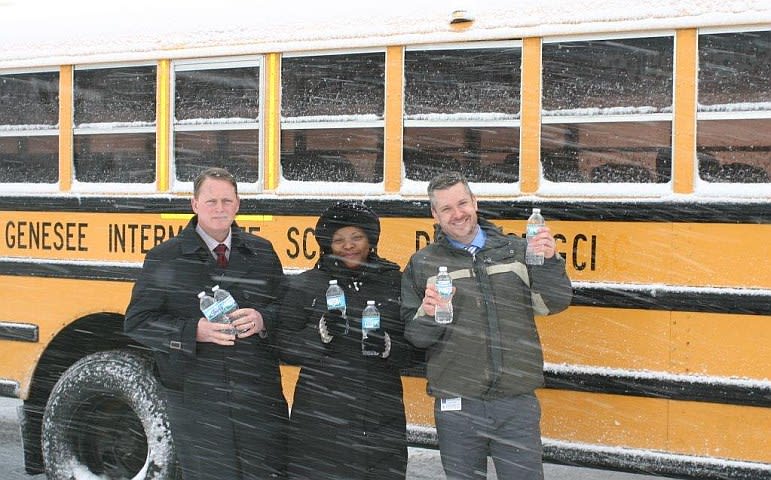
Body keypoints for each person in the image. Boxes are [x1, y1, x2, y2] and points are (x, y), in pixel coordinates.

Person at [401, 172, 573, 480]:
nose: (458, 214)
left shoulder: (517, 251)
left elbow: (552, 304)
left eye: (462, 203)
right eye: (446, 209)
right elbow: (415, 337)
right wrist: (428, 314)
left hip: (515, 401)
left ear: (475, 203)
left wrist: (549, 261)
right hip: (457, 404)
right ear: (434, 214)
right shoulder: (423, 263)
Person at [124, 167, 288, 479]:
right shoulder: (166, 257)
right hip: (197, 398)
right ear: (195, 204)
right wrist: (192, 331)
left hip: (258, 397)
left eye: (227, 201)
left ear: (238, 205)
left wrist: (263, 318)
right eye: (211, 201)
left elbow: (287, 309)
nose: (220, 208)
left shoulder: (261, 252)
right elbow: (138, 322)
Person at [278, 201, 411, 480]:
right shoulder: (306, 285)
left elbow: (418, 348)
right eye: (338, 240)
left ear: (370, 241)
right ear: (327, 244)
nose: (348, 246)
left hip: (380, 416)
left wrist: (389, 346)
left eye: (356, 237)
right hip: (320, 420)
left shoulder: (395, 283)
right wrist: (318, 335)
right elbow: (281, 344)